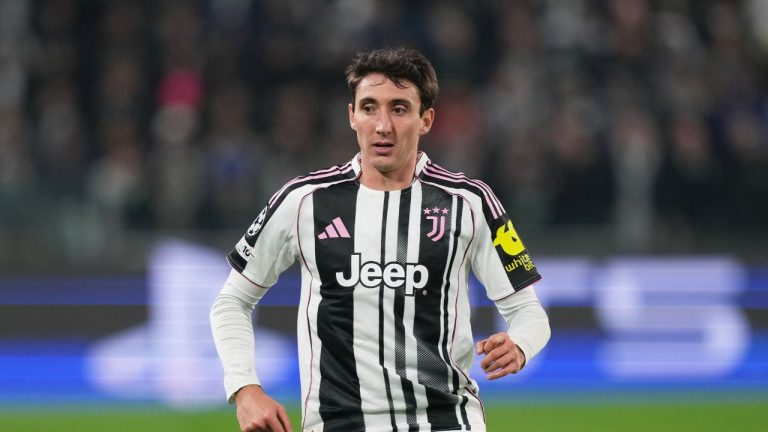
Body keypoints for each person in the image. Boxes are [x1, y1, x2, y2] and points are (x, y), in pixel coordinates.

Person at [210, 47, 550, 432]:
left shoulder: (470, 203)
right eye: (369, 107)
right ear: (352, 115)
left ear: (426, 120)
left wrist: (519, 344)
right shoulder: (303, 201)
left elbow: (529, 312)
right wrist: (245, 389)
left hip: (445, 422)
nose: (383, 125)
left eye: (399, 108)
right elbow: (231, 302)